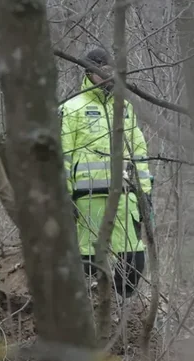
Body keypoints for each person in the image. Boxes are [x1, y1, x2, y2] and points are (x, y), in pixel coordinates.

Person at [60, 47, 153, 299]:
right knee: (88, 263)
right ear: (89, 71)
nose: (109, 76)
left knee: (133, 260)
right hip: (86, 200)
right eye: (104, 71)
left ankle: (123, 312)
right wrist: (64, 197)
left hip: (123, 197)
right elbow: (62, 156)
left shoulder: (124, 107)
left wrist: (145, 194)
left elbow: (139, 153)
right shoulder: (72, 108)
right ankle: (93, 311)